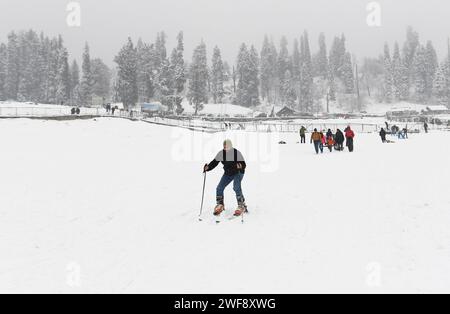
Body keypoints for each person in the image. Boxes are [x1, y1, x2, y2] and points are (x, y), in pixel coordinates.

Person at [204, 140, 248, 217]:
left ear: (231, 146)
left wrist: (240, 166)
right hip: (228, 173)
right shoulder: (221, 153)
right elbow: (214, 162)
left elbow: (243, 164)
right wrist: (208, 168)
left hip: (238, 172)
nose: (225, 148)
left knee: (236, 187)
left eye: (227, 146)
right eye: (224, 146)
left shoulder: (236, 153)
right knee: (219, 188)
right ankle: (220, 204)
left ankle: (242, 205)